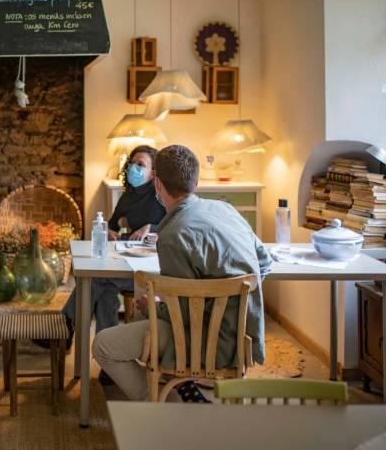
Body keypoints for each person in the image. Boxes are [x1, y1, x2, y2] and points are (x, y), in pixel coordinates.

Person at [93, 145, 271, 402]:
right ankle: (181, 389)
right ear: (196, 182)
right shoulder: (227, 210)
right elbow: (263, 263)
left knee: (103, 345)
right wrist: (236, 301)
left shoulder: (172, 236)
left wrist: (153, 306)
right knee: (144, 320)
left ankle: (168, 406)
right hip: (243, 336)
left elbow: (185, 314)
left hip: (205, 343)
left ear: (157, 184)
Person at [35, 146, 165, 358]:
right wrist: (110, 232)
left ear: (153, 173)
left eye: (141, 164)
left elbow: (176, 224)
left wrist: (152, 227)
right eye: (132, 162)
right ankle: (109, 358)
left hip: (151, 268)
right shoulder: (127, 197)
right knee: (104, 291)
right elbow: (111, 225)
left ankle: (67, 326)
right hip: (130, 259)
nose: (134, 167)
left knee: (96, 279)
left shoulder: (161, 196)